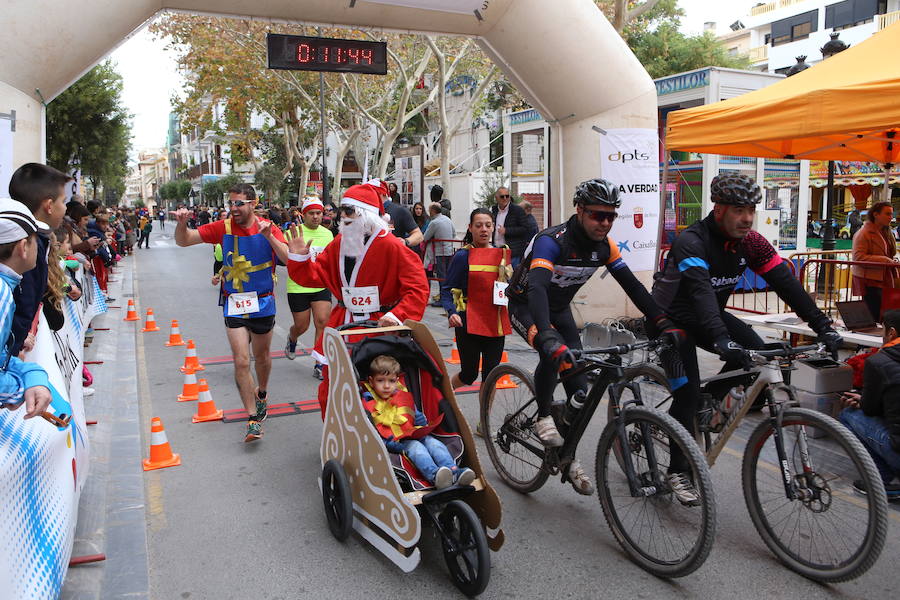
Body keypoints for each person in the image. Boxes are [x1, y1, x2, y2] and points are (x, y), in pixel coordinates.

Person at [651, 173, 842, 503]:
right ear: (719, 209)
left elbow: (787, 283)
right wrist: (723, 338)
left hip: (709, 315)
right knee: (686, 395)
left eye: (751, 209)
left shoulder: (751, 241)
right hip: (670, 320)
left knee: (758, 352)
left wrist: (822, 325)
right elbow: (699, 293)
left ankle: (707, 400)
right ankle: (677, 472)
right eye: (739, 210)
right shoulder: (692, 242)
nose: (748, 218)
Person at [506, 178, 684, 496]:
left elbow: (633, 286)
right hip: (528, 306)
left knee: (580, 390)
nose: (604, 223)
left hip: (559, 308)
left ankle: (566, 453)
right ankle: (543, 415)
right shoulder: (552, 241)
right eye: (597, 215)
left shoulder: (604, 247)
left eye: (611, 216)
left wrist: (662, 321)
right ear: (580, 210)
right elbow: (536, 289)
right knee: (553, 352)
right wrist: (546, 336)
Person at [277, 183, 429, 416]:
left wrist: (396, 316)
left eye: (349, 211)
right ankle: (339, 437)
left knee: (378, 388)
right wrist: (299, 259)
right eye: (342, 210)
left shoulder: (391, 245)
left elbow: (418, 287)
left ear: (366, 215)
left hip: (379, 326)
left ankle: (382, 440)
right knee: (333, 386)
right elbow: (316, 277)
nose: (342, 216)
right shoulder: (340, 242)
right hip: (342, 324)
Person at [175, 183, 288, 443]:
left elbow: (290, 260)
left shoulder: (267, 227)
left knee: (262, 358)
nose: (233, 208)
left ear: (253, 203)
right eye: (231, 203)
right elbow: (184, 241)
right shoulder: (223, 227)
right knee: (240, 360)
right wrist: (182, 223)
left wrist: (270, 236)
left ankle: (262, 393)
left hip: (263, 302)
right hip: (234, 302)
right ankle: (252, 418)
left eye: (239, 203)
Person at [362, 355, 475, 488]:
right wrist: (388, 443)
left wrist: (420, 418)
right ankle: (434, 475)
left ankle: (454, 470)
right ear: (371, 381)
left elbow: (414, 413)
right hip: (397, 442)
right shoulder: (368, 401)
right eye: (380, 381)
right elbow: (371, 429)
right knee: (417, 449)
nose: (386, 386)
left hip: (414, 432)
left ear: (397, 381)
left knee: (435, 444)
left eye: (391, 381)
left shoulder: (402, 395)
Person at [441, 208, 510, 389]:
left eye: (488, 225)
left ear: (493, 227)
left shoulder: (502, 255)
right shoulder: (463, 256)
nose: (484, 230)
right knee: (468, 375)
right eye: (478, 226)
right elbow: (447, 289)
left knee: (491, 378)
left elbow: (510, 288)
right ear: (470, 228)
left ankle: (483, 417)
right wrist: (451, 312)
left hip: (495, 322)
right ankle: (445, 397)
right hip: (468, 323)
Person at [8, 163, 71, 355]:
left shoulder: (39, 239)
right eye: (63, 201)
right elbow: (22, 301)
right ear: (49, 206)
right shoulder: (27, 245)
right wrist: (14, 342)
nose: (66, 208)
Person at [839, 309, 900, 500]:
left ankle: (882, 483)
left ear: (891, 333)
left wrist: (862, 401)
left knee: (847, 415)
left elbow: (871, 409)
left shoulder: (879, 361)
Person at [0, 198, 53, 420]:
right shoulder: (1, 293)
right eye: (34, 241)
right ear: (23, 247)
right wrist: (21, 390)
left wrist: (33, 376)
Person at [283, 197, 334, 380]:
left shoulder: (328, 234)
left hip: (320, 284)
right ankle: (292, 337)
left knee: (322, 322)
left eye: (318, 213)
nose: (315, 217)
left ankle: (319, 363)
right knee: (302, 326)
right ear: (303, 215)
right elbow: (285, 258)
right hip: (298, 286)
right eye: (311, 213)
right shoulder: (295, 233)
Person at [852, 201, 897, 322]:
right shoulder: (863, 233)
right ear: (876, 215)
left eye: (891, 214)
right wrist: (885, 260)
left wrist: (890, 261)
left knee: (885, 314)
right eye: (887, 214)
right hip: (870, 281)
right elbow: (858, 257)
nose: (890, 217)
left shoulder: (887, 232)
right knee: (874, 314)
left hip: (884, 278)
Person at [370, 179, 424, 248]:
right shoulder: (367, 212)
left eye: (371, 192)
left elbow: (418, 235)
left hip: (393, 255)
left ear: (382, 193)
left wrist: (405, 241)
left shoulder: (400, 211)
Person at [423, 202, 456, 306]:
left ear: (432, 211)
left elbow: (425, 237)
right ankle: (448, 297)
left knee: (441, 276)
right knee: (447, 275)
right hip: (450, 250)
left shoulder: (434, 222)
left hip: (440, 252)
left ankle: (443, 299)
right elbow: (454, 234)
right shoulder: (448, 219)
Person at [491, 187, 530, 267]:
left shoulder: (517, 210)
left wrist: (507, 230)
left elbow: (525, 229)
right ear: (496, 198)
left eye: (507, 196)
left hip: (513, 252)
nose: (505, 198)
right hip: (497, 249)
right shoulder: (494, 210)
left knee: (511, 277)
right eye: (502, 196)